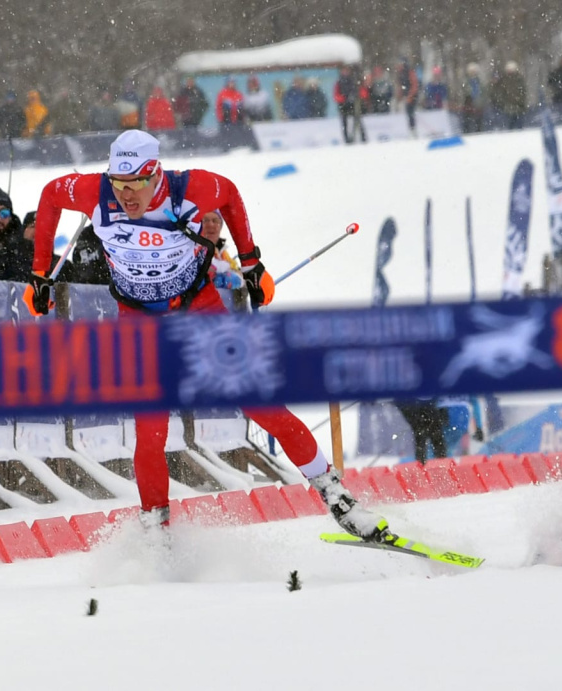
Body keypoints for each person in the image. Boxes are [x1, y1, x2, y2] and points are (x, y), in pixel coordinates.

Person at [25, 130, 391, 542]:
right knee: (150, 431)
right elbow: (50, 196)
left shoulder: (189, 189)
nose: (127, 196)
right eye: (119, 185)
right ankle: (155, 534)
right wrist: (40, 274)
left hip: (198, 310)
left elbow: (231, 195)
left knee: (262, 405)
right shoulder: (94, 192)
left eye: (136, 185)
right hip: (139, 321)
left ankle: (339, 499)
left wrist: (252, 264)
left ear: (155, 174)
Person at [200, 209, 247, 312]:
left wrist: (239, 278)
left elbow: (240, 275)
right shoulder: (191, 248)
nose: (210, 225)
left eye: (215, 220)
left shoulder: (223, 253)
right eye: (205, 220)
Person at [394, 398, 449, 463]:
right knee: (423, 443)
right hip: (422, 417)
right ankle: (423, 465)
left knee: (435, 442)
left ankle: (441, 464)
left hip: (430, 416)